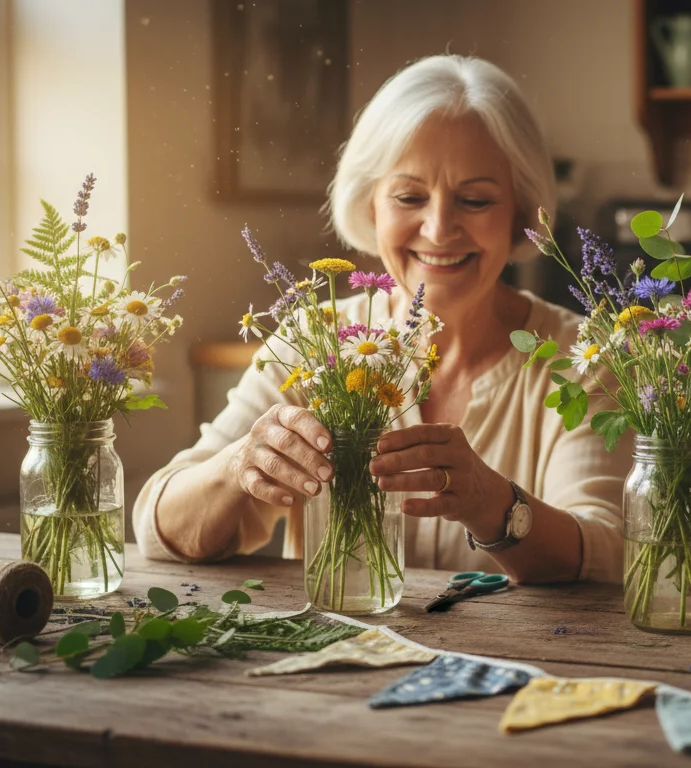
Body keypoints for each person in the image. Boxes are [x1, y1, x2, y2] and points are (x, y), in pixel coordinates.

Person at [132, 55, 632, 584]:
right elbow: (159, 528)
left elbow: (607, 552)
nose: (439, 229)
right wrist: (239, 467)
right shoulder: (315, 341)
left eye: (475, 200)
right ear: (372, 207)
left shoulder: (584, 357)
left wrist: (492, 504)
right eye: (409, 196)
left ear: (522, 213)